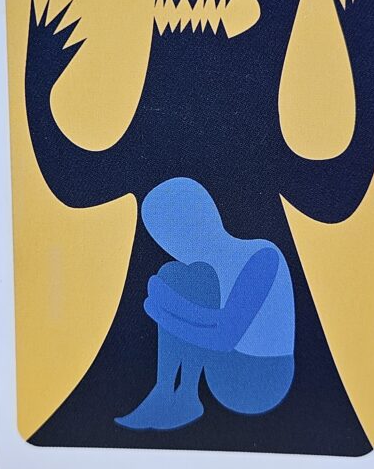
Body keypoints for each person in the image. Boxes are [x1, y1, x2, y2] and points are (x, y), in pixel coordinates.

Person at [116, 177, 295, 430]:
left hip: (263, 379)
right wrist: (167, 306)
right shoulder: (205, 273)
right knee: (173, 273)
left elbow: (225, 337)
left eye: (173, 234)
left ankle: (184, 395)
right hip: (223, 371)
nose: (171, 247)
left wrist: (164, 309)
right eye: (163, 238)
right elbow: (216, 325)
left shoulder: (263, 255)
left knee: (187, 277)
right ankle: (165, 391)